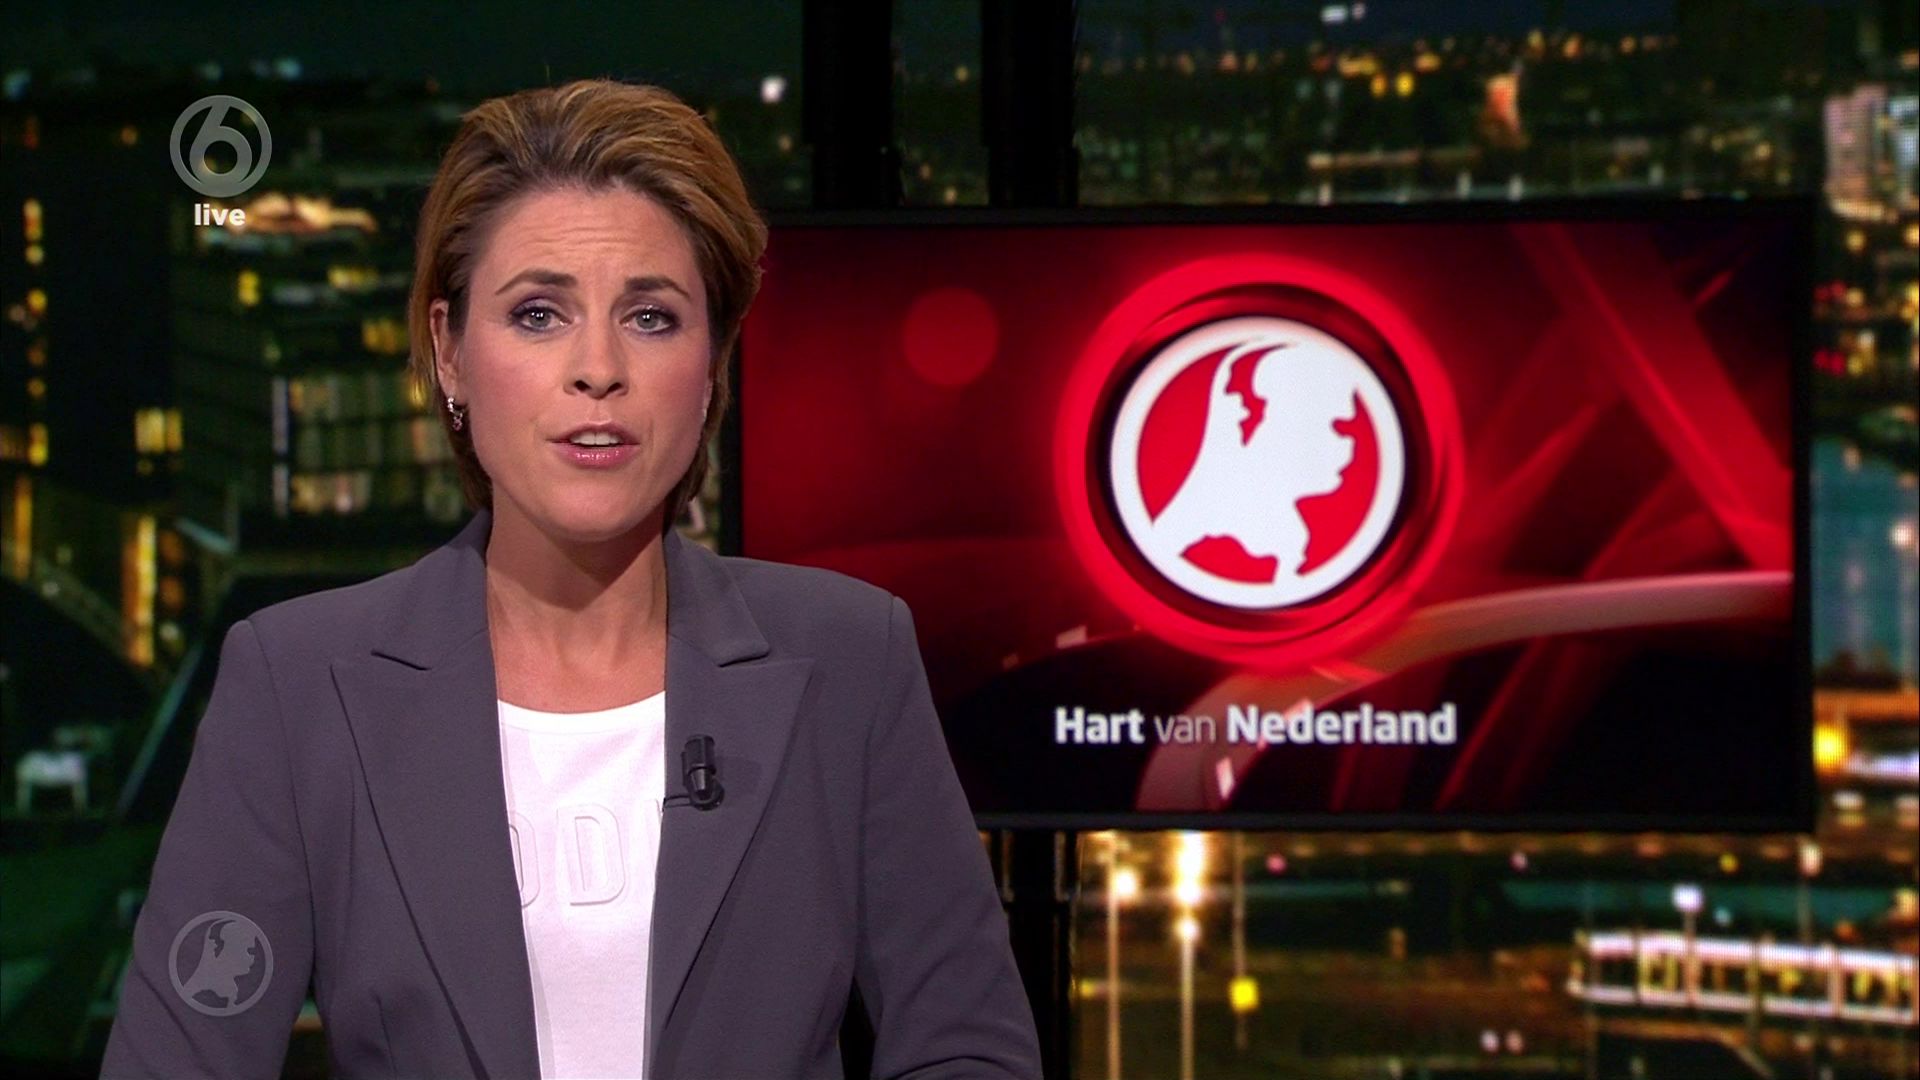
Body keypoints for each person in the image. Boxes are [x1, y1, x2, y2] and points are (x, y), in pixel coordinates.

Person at [101, 78, 1042, 1080]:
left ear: (713, 364)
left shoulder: (851, 659)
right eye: (539, 313)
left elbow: (967, 1046)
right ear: (449, 353)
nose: (599, 367)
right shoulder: (298, 686)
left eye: (652, 317)